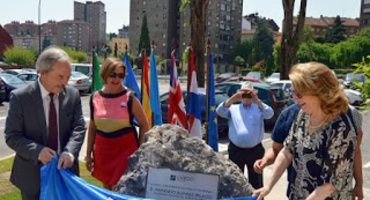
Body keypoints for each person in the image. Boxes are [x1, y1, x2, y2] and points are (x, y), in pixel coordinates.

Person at [254, 62, 358, 200]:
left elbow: (330, 185)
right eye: (293, 92)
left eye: (299, 94)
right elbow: (287, 151)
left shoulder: (341, 129)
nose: (294, 98)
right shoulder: (303, 114)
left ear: (320, 92)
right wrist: (268, 187)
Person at [4, 46, 86, 200]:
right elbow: (12, 136)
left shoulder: (73, 95)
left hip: (66, 173)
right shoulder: (20, 98)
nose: (65, 82)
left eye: (68, 77)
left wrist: (70, 151)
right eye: (60, 76)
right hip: (32, 178)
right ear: (42, 72)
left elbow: (79, 127)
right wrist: (37, 151)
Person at [253, 103, 364, 199]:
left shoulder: (348, 117)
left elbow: (355, 152)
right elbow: (284, 150)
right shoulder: (295, 114)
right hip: (297, 192)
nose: (295, 95)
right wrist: (266, 165)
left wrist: (359, 183)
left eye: (300, 90)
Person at [85, 57, 149, 190]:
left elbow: (144, 124)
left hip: (125, 152)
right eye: (113, 75)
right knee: (106, 189)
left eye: (120, 75)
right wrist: (88, 154)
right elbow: (92, 128)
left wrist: (141, 151)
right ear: (105, 74)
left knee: (119, 189)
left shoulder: (130, 97)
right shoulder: (95, 98)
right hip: (103, 152)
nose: (116, 79)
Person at [216, 82, 274, 189]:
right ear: (240, 95)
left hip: (255, 150)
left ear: (254, 95)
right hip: (236, 150)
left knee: (256, 181)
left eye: (249, 94)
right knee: (236, 181)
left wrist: (257, 101)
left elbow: (269, 114)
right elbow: (219, 111)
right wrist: (232, 99)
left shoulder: (259, 108)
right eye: (244, 94)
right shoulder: (233, 108)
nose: (247, 97)